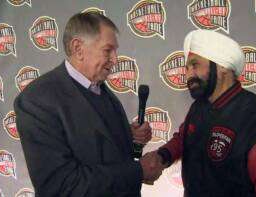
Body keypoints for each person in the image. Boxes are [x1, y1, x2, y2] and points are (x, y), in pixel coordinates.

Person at [14, 12, 163, 196]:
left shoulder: (101, 89)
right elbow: (61, 187)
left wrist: (129, 137)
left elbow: (100, 148)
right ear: (78, 48)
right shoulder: (36, 101)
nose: (115, 59)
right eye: (108, 50)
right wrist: (138, 171)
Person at [150, 29, 256, 196]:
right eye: (187, 68)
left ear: (222, 67)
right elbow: (184, 137)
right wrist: (162, 156)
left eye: (195, 65)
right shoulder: (199, 107)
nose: (188, 75)